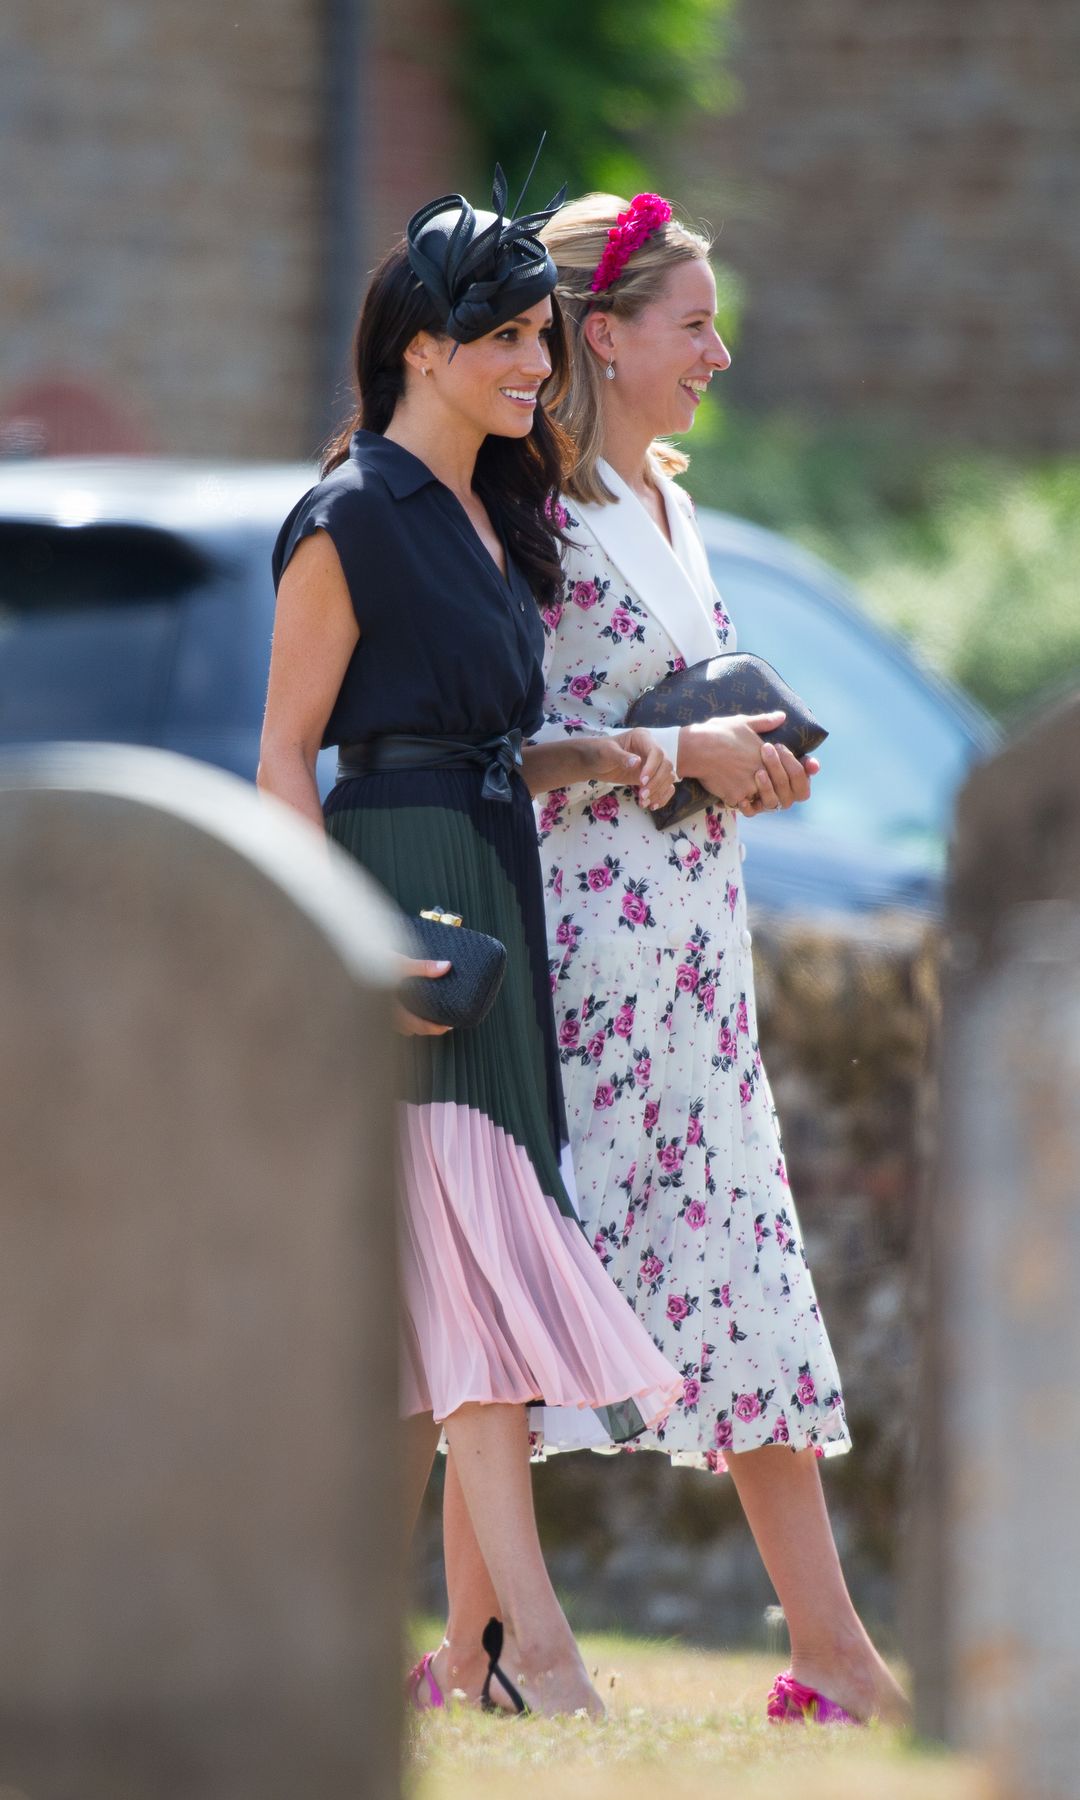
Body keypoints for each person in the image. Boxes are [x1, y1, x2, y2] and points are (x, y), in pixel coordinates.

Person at [436, 192, 909, 1725]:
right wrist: (667, 747)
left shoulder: (670, 503)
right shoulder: (527, 519)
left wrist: (747, 761)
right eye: (692, 321)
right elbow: (498, 750)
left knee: (754, 1287)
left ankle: (831, 1656)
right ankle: (485, 1648)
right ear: (604, 331)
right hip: (579, 973)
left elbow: (677, 722)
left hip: (695, 968)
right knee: (521, 1302)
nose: (719, 349)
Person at [257, 172, 683, 1719]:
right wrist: (350, 956)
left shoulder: (492, 518)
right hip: (401, 910)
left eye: (539, 339)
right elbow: (288, 759)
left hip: (496, 896)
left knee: (438, 1314)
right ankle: (537, 1659)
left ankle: (318, 1642)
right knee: (479, 1289)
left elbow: (488, 742)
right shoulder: (349, 516)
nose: (531, 367)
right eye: (503, 338)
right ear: (420, 349)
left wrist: (613, 759)